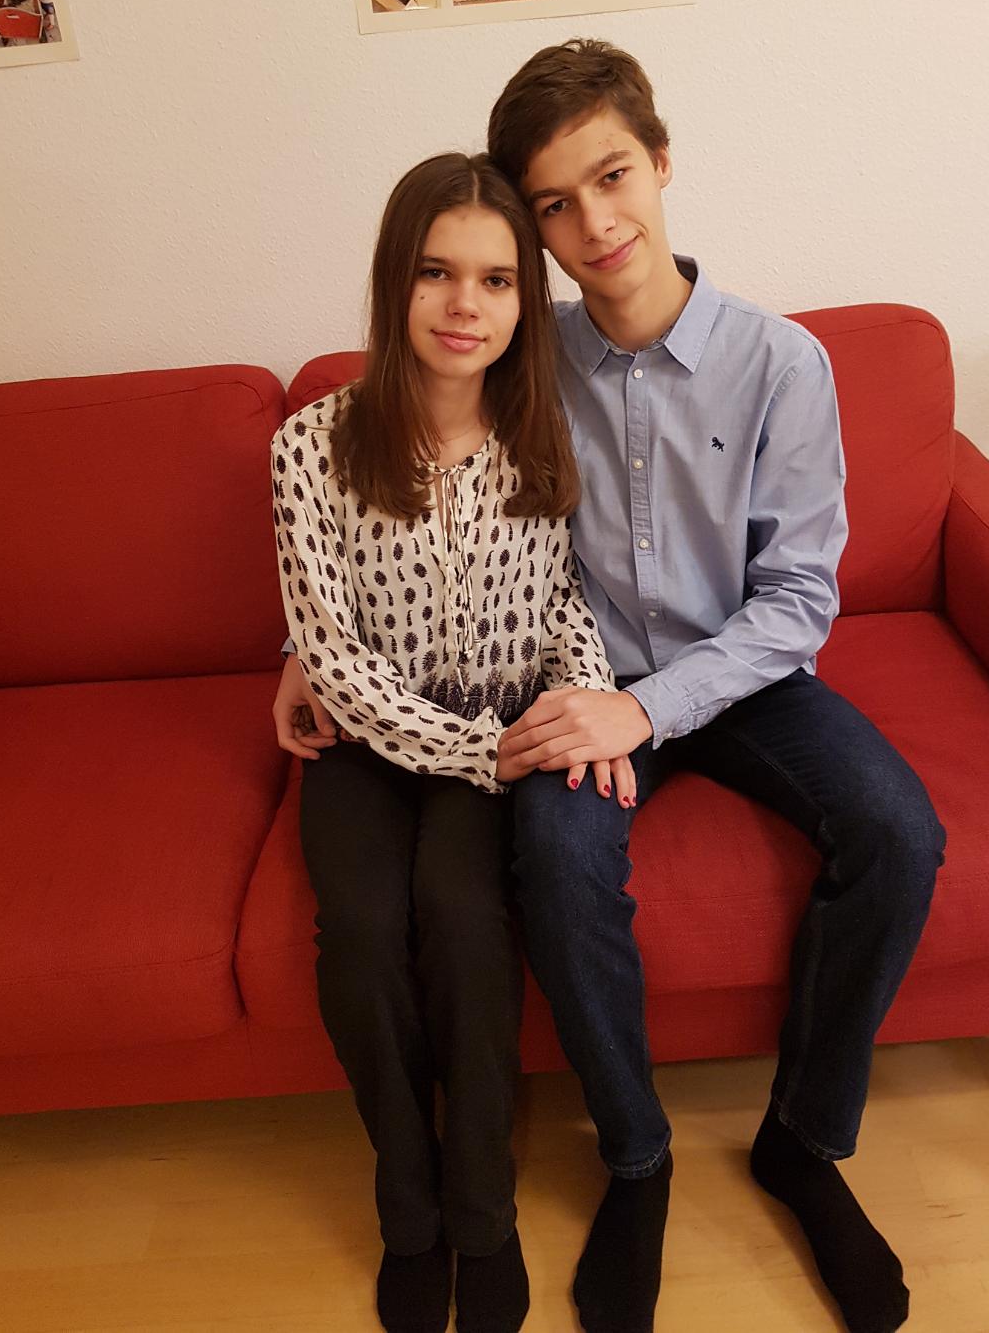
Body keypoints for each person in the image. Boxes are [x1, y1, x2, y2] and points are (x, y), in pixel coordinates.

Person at [275, 40, 945, 1333]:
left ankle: (805, 1144)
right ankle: (636, 1159)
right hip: (577, 685)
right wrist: (302, 651)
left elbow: (799, 600)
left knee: (899, 831)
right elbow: (392, 512)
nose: (594, 222)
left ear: (662, 162)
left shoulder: (782, 363)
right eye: (555, 203)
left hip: (734, 678)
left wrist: (649, 707)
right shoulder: (528, 361)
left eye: (613, 176)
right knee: (556, 857)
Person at [272, 151, 633, 1333]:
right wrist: (478, 754)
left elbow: (573, 599)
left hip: (503, 728)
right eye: (436, 272)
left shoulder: (547, 432)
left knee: (470, 927)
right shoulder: (311, 445)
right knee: (362, 934)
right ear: (395, 280)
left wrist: (582, 704)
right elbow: (329, 651)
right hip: (377, 744)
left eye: (495, 279)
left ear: (527, 298)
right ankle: (409, 1201)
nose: (463, 304)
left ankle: (484, 1210)